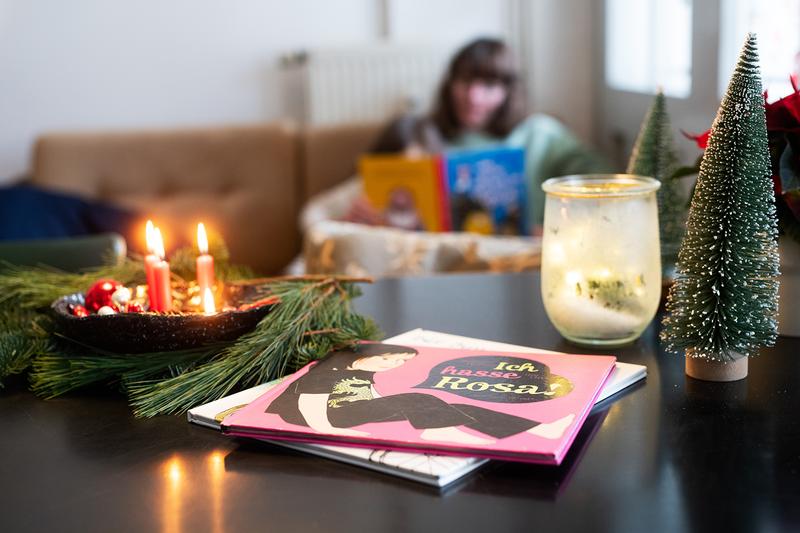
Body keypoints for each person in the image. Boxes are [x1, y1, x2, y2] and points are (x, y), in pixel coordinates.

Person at [300, 37, 610, 234]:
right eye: (465, 82)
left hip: (525, 258)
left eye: (488, 86)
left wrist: (565, 230)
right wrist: (359, 220)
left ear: (508, 91)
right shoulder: (425, 138)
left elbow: (606, 187)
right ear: (450, 84)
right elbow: (329, 210)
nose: (473, 97)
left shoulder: (540, 133)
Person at [265, 343, 575, 446]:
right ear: (371, 353)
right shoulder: (329, 371)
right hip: (316, 418)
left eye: (400, 362)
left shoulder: (363, 373)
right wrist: (328, 431)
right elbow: (310, 405)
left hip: (345, 412)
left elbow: (369, 397)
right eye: (390, 358)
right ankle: (443, 433)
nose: (394, 365)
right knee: (419, 401)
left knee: (447, 403)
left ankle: (542, 429)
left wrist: (392, 409)